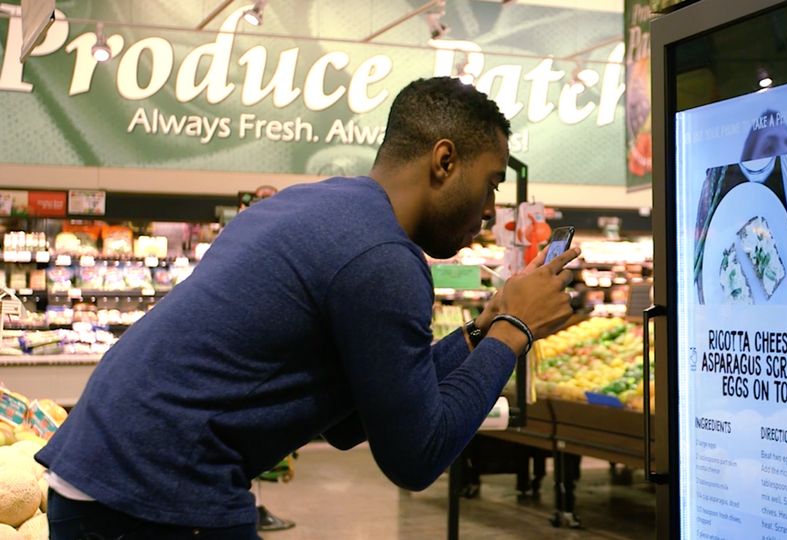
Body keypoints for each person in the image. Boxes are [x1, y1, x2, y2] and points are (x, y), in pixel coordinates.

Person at [36, 76, 578, 539]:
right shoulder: (382, 257)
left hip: (100, 475)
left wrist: (480, 332)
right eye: (489, 185)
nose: (489, 210)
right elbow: (417, 455)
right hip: (158, 492)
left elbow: (350, 423)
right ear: (444, 160)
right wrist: (515, 331)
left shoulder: (312, 204)